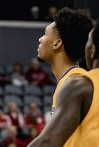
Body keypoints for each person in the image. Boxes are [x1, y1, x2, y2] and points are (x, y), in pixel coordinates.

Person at [29, 8, 95, 146]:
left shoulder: (75, 83)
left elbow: (47, 142)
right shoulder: (74, 80)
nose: (40, 39)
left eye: (45, 34)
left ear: (57, 43)